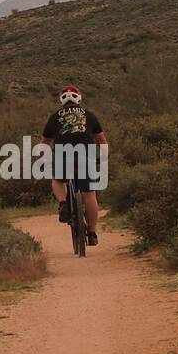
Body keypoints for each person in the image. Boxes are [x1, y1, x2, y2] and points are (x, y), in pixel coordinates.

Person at [41, 85, 107, 247]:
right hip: (87, 157)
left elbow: (44, 143)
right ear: (79, 98)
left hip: (63, 156)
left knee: (57, 180)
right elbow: (102, 141)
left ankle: (63, 203)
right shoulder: (89, 115)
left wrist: (41, 159)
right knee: (89, 194)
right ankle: (91, 233)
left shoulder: (55, 117)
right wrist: (103, 158)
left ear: (62, 100)